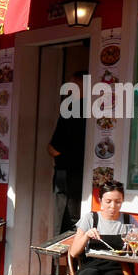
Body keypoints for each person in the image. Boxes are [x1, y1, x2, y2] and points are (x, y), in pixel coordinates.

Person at [50, 72, 88, 234]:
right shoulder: (98, 109)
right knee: (77, 219)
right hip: (84, 172)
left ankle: (63, 259)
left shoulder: (70, 110)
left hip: (67, 172)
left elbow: (54, 148)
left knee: (65, 221)